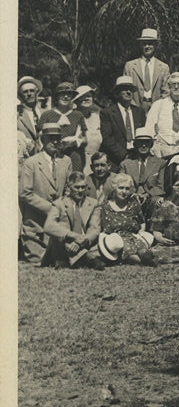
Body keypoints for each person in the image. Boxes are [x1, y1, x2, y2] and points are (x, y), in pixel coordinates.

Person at [19, 124, 73, 263]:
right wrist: (51, 209)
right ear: (43, 140)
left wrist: (62, 209)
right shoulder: (31, 162)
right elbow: (25, 193)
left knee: (67, 257)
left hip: (59, 224)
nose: (55, 142)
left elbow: (69, 189)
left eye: (57, 138)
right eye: (51, 138)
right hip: (37, 226)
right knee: (43, 260)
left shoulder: (66, 161)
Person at [41, 171, 102, 268]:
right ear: (69, 188)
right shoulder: (59, 204)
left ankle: (67, 261)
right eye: (77, 187)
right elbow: (48, 226)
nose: (80, 190)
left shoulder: (94, 204)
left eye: (83, 187)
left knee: (101, 239)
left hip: (84, 242)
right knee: (60, 228)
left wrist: (80, 241)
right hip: (65, 243)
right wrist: (74, 236)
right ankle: (87, 257)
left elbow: (94, 228)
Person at [97, 173, 156, 265]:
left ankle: (146, 257)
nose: (124, 191)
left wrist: (140, 234)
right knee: (132, 254)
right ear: (114, 188)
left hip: (133, 237)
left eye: (127, 189)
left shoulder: (133, 204)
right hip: (116, 241)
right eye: (121, 188)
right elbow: (103, 228)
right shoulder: (106, 206)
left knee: (142, 250)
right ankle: (141, 261)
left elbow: (142, 222)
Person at [146, 72, 179, 158]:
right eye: (173, 84)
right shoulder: (158, 104)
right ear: (168, 85)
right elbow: (149, 128)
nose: (176, 87)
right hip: (161, 151)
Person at [38, 81, 88, 171]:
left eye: (69, 94)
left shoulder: (78, 115)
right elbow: (39, 138)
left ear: (73, 97)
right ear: (57, 96)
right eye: (62, 94)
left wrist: (75, 141)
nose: (65, 97)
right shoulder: (47, 114)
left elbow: (85, 140)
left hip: (73, 156)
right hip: (51, 155)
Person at [99, 76, 146, 170]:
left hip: (138, 156)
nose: (128, 92)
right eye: (124, 89)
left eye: (131, 90)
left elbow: (143, 134)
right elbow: (107, 138)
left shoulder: (139, 112)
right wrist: (124, 156)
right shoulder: (107, 113)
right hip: (116, 159)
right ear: (117, 92)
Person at [119, 126, 166, 216]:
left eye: (146, 143)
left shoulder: (160, 163)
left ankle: (154, 228)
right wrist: (133, 194)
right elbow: (121, 185)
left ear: (151, 145)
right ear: (135, 145)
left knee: (158, 202)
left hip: (151, 198)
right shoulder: (125, 164)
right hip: (131, 197)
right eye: (140, 143)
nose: (143, 145)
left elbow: (160, 187)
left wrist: (147, 195)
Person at [124, 28, 170, 111]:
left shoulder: (163, 67)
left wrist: (158, 106)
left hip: (157, 107)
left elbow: (166, 91)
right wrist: (133, 106)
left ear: (156, 45)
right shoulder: (130, 66)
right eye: (144, 44)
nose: (147, 46)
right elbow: (126, 89)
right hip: (135, 107)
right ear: (140, 45)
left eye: (150, 44)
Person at [73, 85, 103, 169]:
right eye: (82, 97)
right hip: (79, 161)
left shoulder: (98, 117)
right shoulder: (73, 117)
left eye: (89, 96)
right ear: (77, 100)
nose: (86, 99)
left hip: (97, 162)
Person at [17, 75, 46, 152]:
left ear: (37, 92)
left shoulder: (45, 112)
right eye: (25, 91)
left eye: (32, 90)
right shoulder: (16, 115)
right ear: (20, 95)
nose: (29, 94)